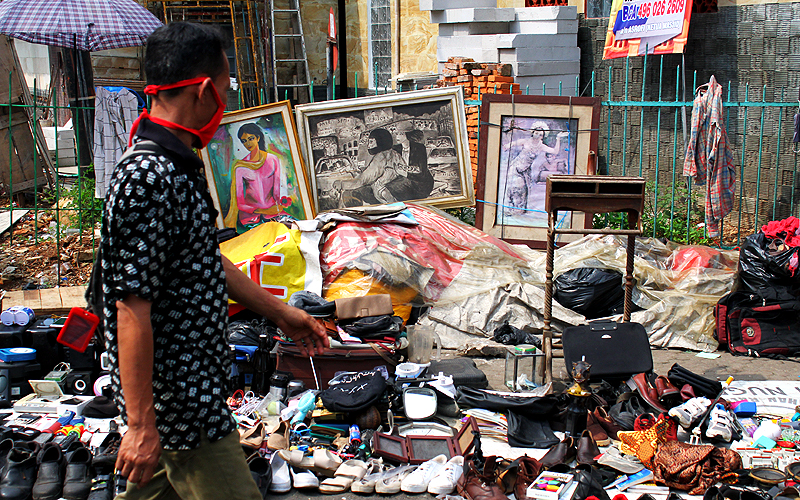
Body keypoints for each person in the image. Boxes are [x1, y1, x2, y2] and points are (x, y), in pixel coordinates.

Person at [99, 22, 328, 499]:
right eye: (226, 89)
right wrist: (141, 425)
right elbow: (129, 307)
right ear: (204, 90)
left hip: (186, 396)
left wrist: (282, 312)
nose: (225, 101)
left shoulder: (179, 165)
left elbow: (206, 259)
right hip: (181, 404)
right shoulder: (147, 177)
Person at [223, 123, 284, 229]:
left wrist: (277, 208)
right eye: (244, 141)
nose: (248, 143)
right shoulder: (240, 167)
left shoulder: (273, 159)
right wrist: (262, 211)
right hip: (250, 216)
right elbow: (240, 203)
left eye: (251, 138)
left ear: (258, 138)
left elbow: (277, 194)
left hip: (273, 213)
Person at [334, 128, 407, 206]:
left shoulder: (381, 157)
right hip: (395, 193)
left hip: (383, 195)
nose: (368, 145)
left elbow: (363, 180)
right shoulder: (395, 154)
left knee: (348, 194)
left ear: (380, 141)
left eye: (371, 142)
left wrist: (341, 184)